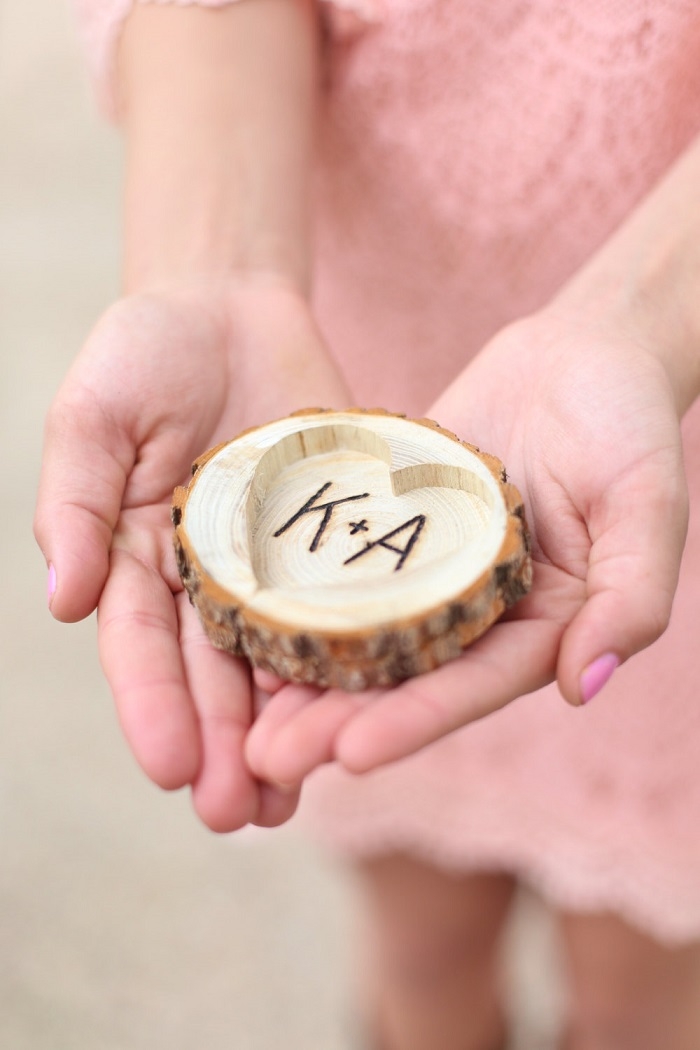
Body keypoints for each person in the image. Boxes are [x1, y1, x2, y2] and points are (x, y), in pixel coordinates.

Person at [36, 1, 700, 1047]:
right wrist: (213, 268)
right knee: (423, 954)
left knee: (639, 1002)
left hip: (656, 451)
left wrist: (647, 318)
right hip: (330, 364)